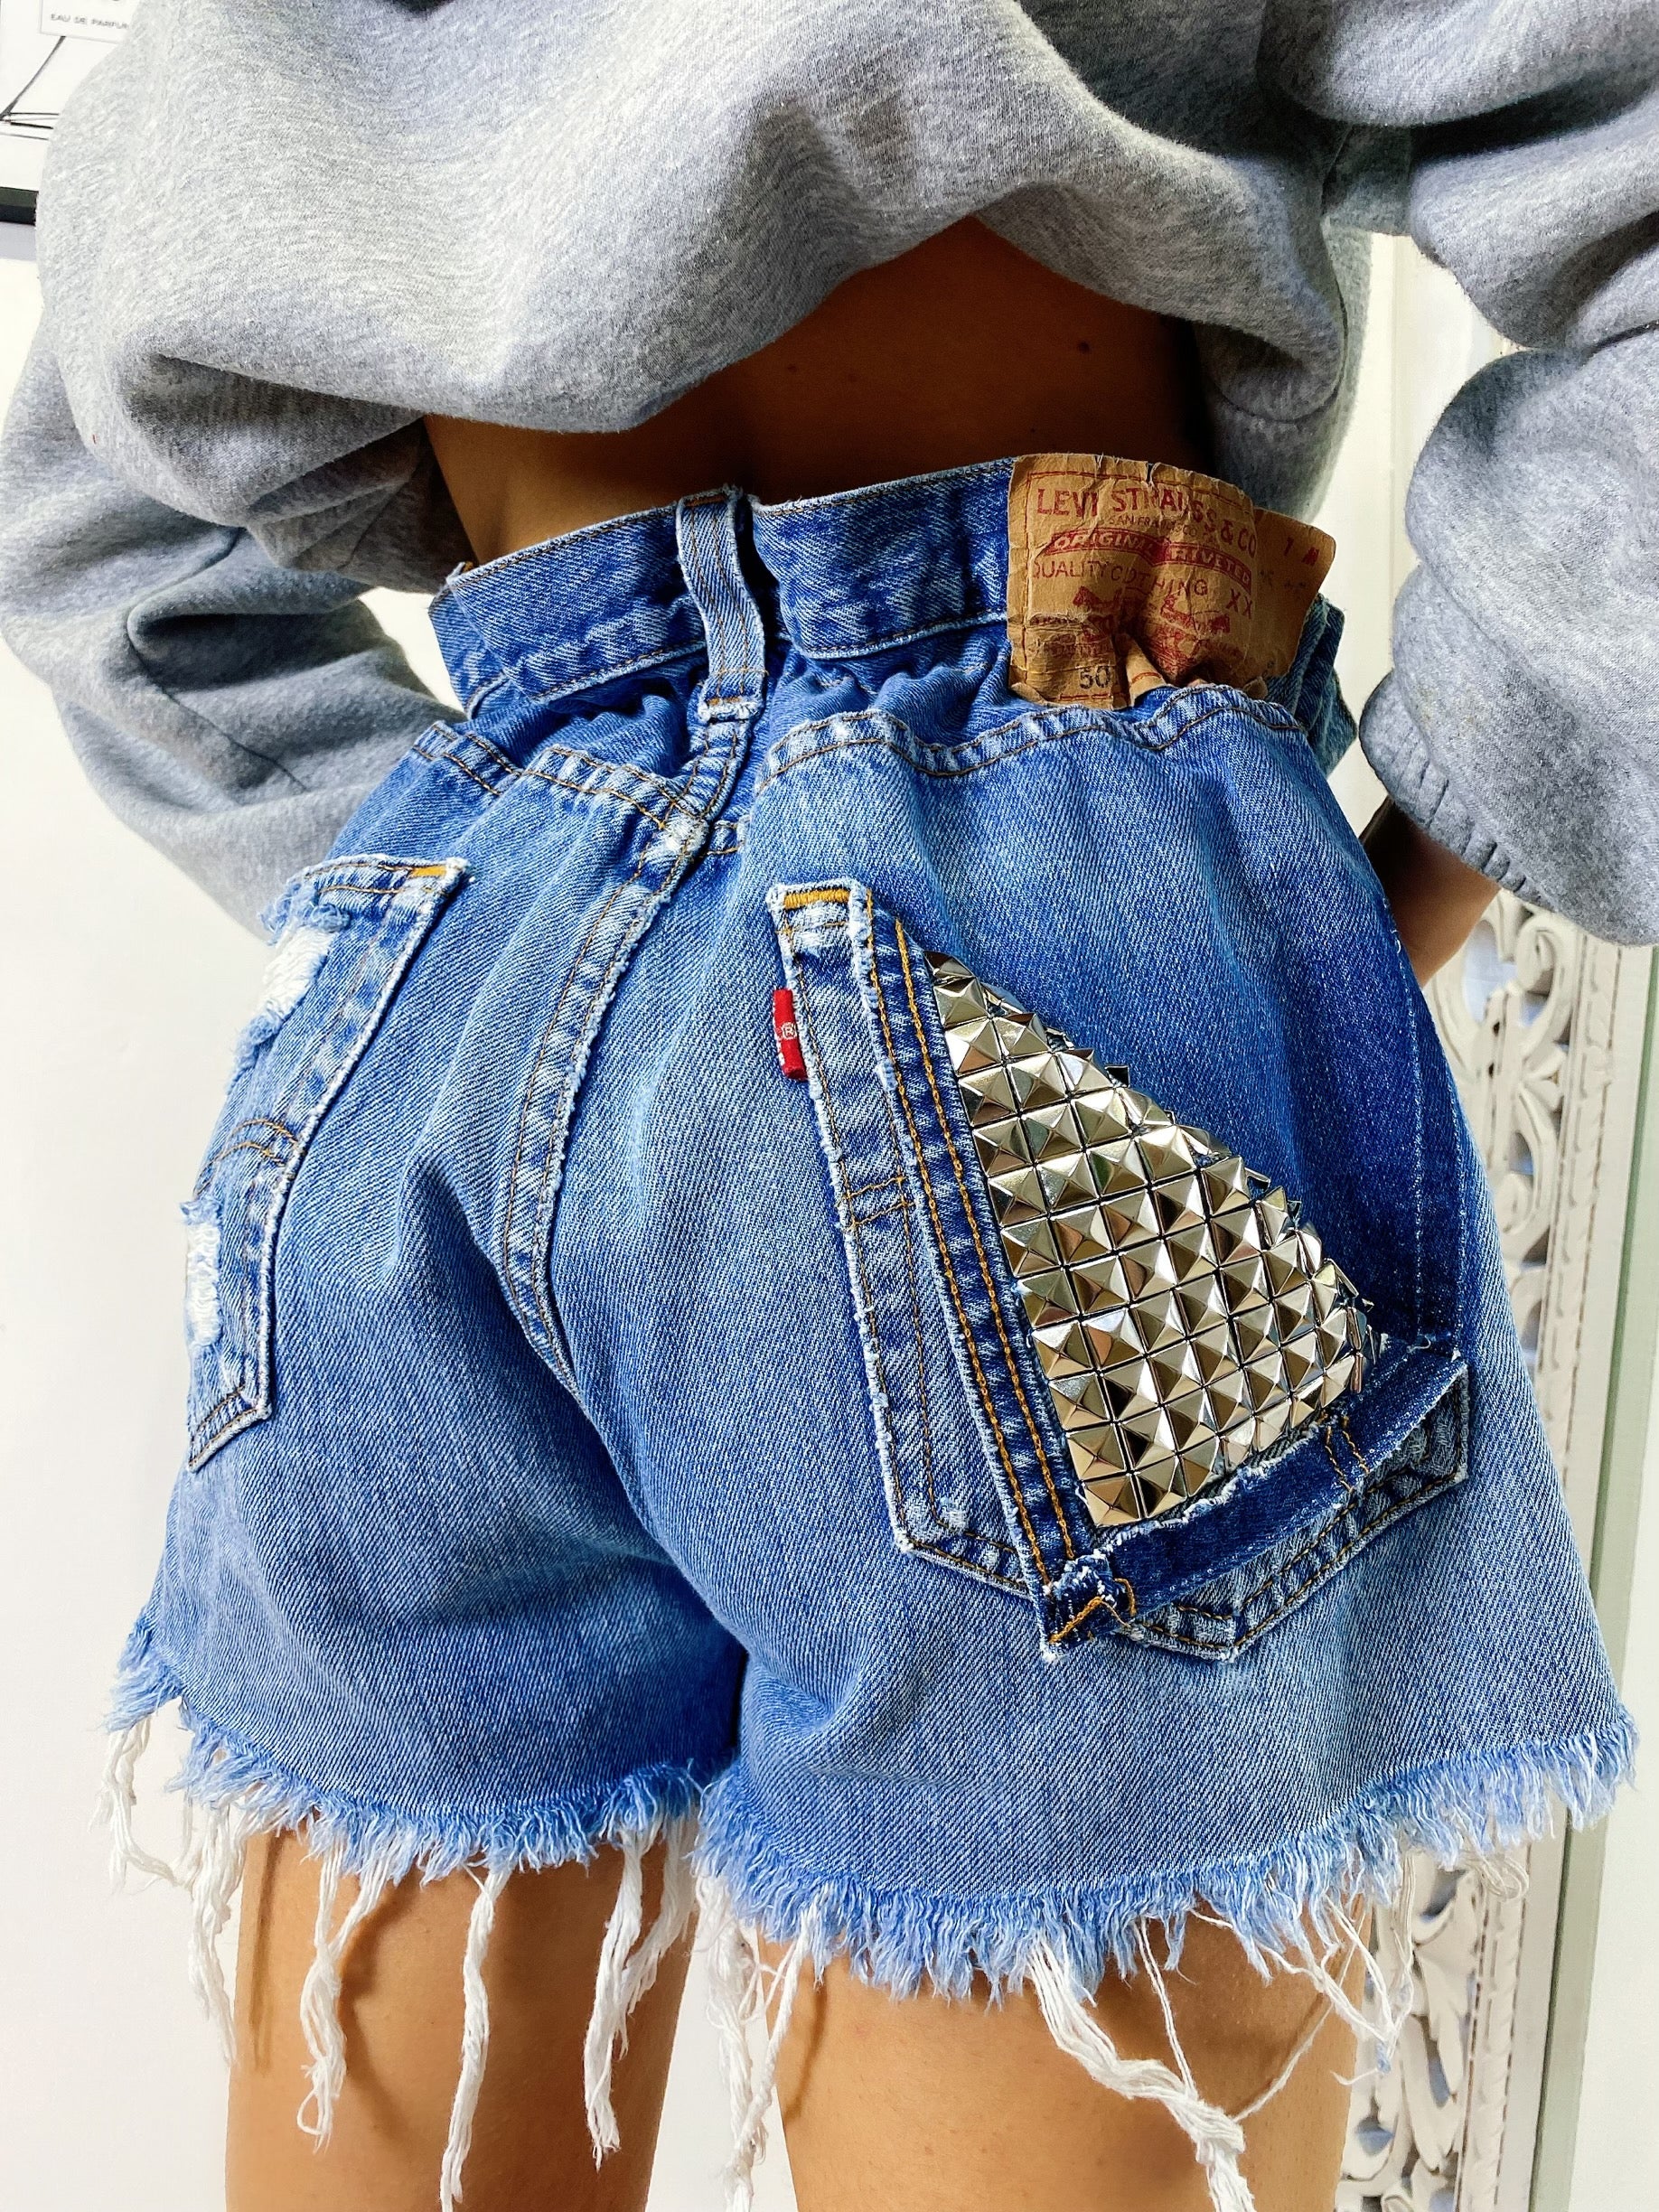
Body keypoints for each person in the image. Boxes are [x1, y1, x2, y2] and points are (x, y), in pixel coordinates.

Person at [1, 7, 1652, 2211]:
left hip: (448, 1003)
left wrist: (463, 939)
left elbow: (103, 532)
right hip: (1046, 904)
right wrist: (1416, 866)